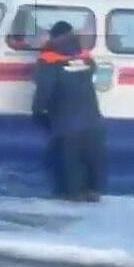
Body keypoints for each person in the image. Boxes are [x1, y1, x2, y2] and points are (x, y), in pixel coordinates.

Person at [31, 21, 107, 202]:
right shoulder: (86, 57)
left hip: (67, 122)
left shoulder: (48, 61)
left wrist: (38, 111)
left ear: (53, 37)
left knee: (72, 163)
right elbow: (87, 72)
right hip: (93, 120)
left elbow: (45, 89)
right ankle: (94, 194)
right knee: (93, 160)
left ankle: (75, 198)